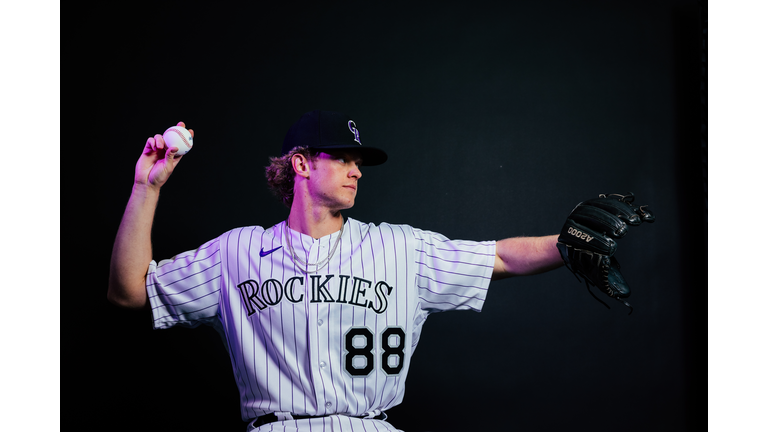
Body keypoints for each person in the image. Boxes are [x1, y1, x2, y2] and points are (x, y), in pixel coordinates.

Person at [107, 110, 566, 431]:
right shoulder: (235, 252)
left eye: (358, 162)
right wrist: (145, 188)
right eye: (343, 158)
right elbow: (129, 292)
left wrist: (566, 246)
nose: (357, 171)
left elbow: (500, 257)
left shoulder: (400, 247)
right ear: (302, 163)